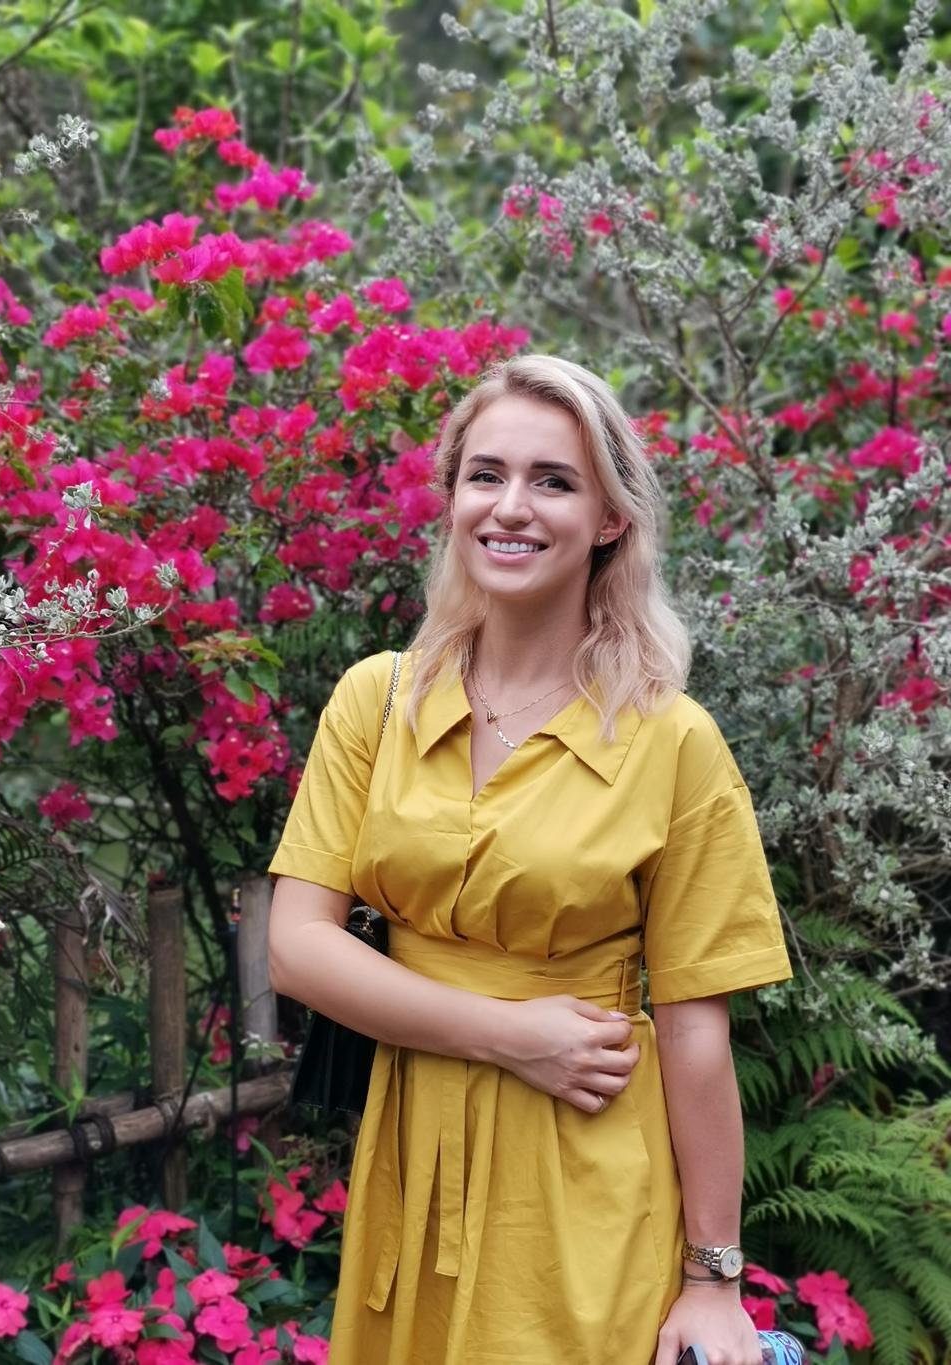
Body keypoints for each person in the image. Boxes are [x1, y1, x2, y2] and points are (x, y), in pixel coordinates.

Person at [267, 354, 792, 1365]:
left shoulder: (671, 740)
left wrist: (712, 1279)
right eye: (487, 474)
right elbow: (297, 948)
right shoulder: (378, 700)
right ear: (453, 498)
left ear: (610, 518)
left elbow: (695, 1032)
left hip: (584, 1171)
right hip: (411, 1162)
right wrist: (510, 1035)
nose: (511, 507)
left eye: (553, 481)